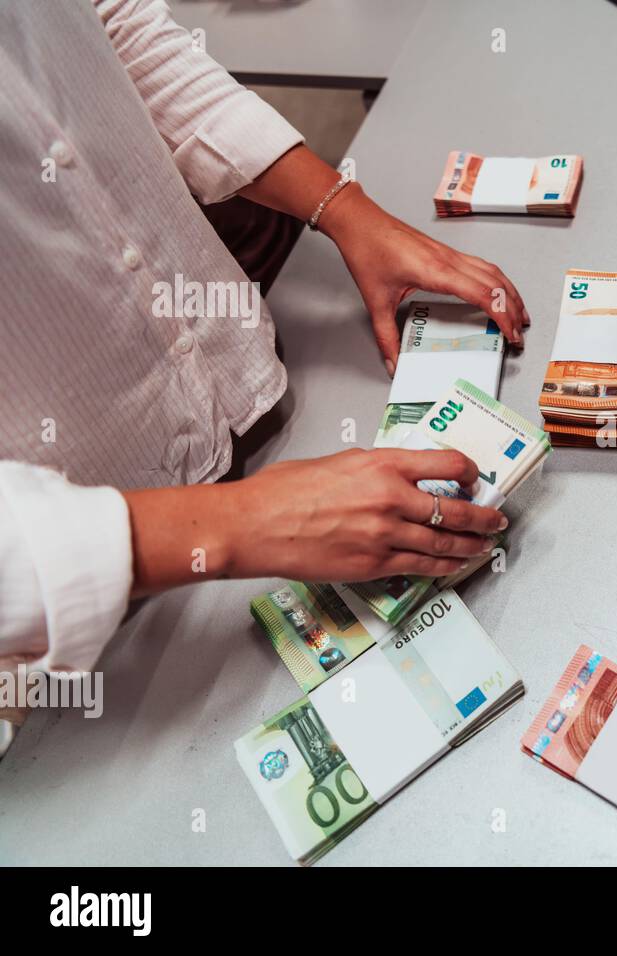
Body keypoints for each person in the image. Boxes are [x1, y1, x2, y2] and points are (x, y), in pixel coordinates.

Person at [0, 0, 530, 713]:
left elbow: (108, 23)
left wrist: (345, 210)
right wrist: (247, 524)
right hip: (79, 629)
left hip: (244, 396)